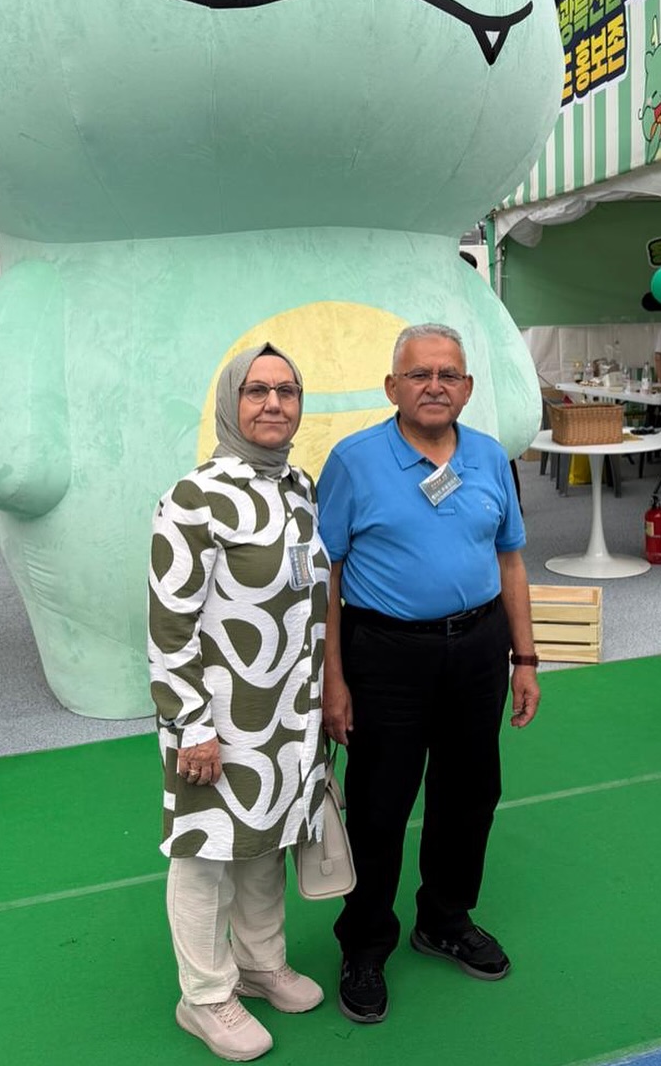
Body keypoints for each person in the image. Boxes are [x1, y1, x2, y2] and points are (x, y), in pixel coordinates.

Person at [316, 323, 541, 1025]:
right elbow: (327, 575)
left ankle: (444, 918)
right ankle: (364, 942)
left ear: (467, 388)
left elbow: (510, 560)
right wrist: (332, 679)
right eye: (419, 374)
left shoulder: (490, 457)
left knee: (470, 792)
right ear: (393, 387)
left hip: (479, 647)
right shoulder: (353, 462)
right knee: (379, 803)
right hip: (385, 653)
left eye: (448, 374)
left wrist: (526, 657)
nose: (434, 386)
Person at [148, 344, 329, 1062]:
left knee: (267, 841)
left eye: (287, 390)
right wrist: (191, 724)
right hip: (217, 717)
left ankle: (260, 964)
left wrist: (318, 702)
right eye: (257, 390)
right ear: (231, 402)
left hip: (289, 711)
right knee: (205, 853)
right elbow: (169, 623)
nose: (274, 404)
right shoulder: (194, 497)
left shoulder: (300, 486)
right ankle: (204, 996)